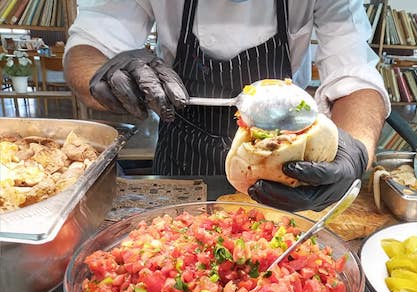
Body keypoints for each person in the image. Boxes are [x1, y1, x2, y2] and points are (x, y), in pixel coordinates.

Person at [64, 0, 389, 212]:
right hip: (181, 156)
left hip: (282, 164)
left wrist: (357, 148)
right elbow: (91, 45)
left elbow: (354, 73)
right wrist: (106, 73)